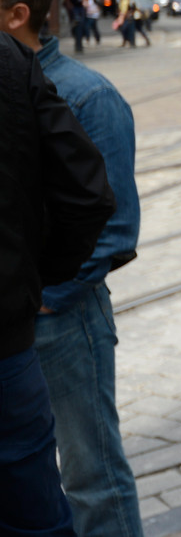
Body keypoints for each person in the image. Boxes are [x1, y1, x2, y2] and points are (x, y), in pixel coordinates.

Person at [0, 0, 144, 537]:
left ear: (17, 15)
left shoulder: (87, 94)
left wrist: (46, 290)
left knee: (91, 473)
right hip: (20, 319)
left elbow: (115, 223)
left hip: (63, 316)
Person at [0, 27, 116, 536]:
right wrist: (30, 280)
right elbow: (88, 196)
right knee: (34, 516)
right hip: (5, 345)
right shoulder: (11, 60)